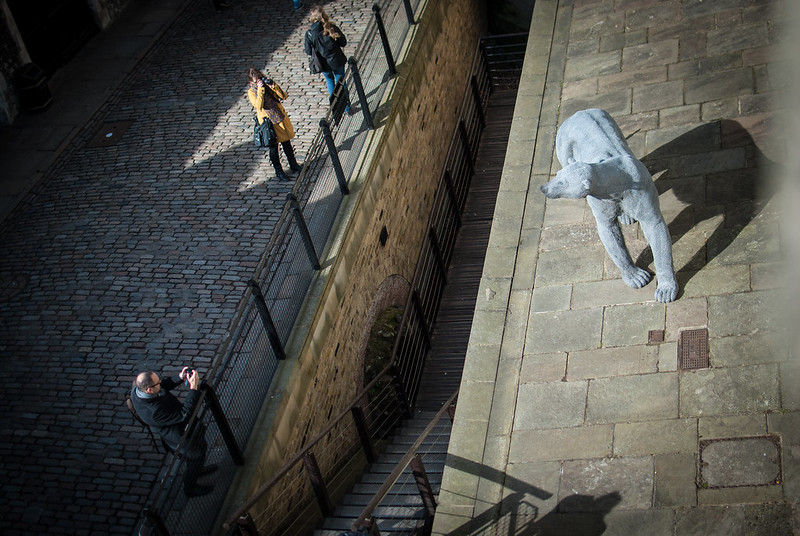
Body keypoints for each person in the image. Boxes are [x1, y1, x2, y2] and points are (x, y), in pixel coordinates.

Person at [131, 367, 217, 497]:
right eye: (157, 383)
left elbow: (163, 386)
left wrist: (180, 377)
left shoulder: (138, 390)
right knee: (196, 455)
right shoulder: (154, 412)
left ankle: (197, 470)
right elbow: (184, 413)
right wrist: (193, 388)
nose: (160, 382)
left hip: (181, 428)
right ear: (149, 389)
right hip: (179, 436)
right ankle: (190, 488)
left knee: (198, 451)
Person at [247, 68, 302, 182]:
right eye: (256, 81)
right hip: (268, 122)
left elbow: (283, 96)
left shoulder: (268, 85)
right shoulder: (251, 92)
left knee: (286, 143)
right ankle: (279, 171)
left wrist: (273, 86)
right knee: (273, 148)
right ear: (251, 82)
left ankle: (293, 164)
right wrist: (260, 90)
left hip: (279, 116)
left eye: (260, 79)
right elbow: (258, 105)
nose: (259, 82)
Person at [304, 5, 349, 106]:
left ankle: (335, 106)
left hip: (323, 64)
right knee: (341, 83)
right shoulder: (331, 28)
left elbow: (308, 51)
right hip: (336, 61)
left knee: (330, 82)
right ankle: (346, 107)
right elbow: (343, 42)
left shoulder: (310, 34)